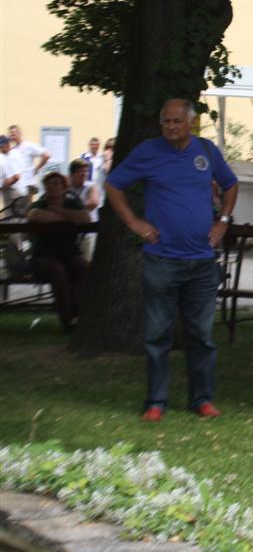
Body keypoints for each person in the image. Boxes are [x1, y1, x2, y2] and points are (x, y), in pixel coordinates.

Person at [105, 98, 238, 422]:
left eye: (177, 121)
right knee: (157, 335)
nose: (171, 127)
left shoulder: (205, 151)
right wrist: (134, 223)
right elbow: (113, 185)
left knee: (202, 336)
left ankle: (202, 400)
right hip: (162, 260)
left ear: (190, 123)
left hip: (202, 262)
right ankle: (156, 401)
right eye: (166, 121)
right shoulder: (147, 152)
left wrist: (223, 220)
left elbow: (231, 184)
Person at [27, 171, 91, 330]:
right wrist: (69, 219)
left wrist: (58, 211)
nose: (51, 187)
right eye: (48, 184)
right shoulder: (41, 202)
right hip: (43, 257)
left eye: (56, 183)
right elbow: (34, 215)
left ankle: (82, 316)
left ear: (64, 188)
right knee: (58, 270)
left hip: (70, 254)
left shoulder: (72, 202)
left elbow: (85, 218)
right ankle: (67, 320)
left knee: (84, 266)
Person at [6, 125, 50, 200]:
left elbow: (46, 155)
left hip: (28, 184)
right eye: (10, 135)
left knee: (27, 209)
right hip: (17, 185)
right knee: (18, 209)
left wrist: (37, 169)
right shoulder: (12, 150)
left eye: (13, 134)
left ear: (19, 133)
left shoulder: (28, 146)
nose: (12, 137)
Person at [67, 159, 100, 258]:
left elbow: (93, 203)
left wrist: (69, 208)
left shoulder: (91, 186)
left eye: (86, 171)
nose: (84, 174)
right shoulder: (66, 188)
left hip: (87, 231)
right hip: (69, 231)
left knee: (87, 260)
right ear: (73, 173)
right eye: (81, 171)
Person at [0, 135, 21, 210]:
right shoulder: (5, 156)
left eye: (3, 146)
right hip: (8, 191)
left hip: (14, 191)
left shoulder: (13, 155)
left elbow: (16, 176)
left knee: (13, 215)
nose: (1, 148)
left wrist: (4, 186)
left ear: (8, 144)